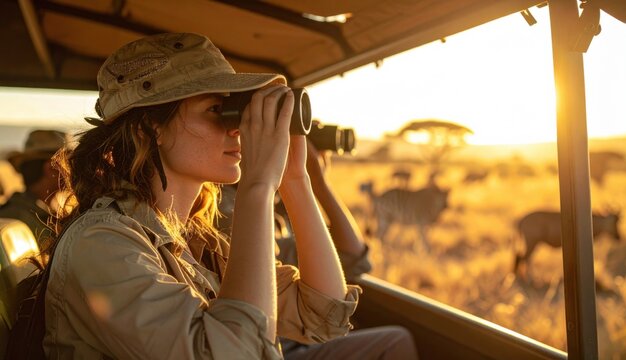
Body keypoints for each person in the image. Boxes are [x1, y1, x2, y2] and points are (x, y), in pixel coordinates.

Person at [43, 32, 361, 359]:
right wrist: (257, 185)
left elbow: (322, 316)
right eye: (217, 109)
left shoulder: (198, 246)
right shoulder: (101, 245)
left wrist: (295, 178)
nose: (236, 128)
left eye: (235, 111)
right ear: (151, 128)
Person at [218, 140, 420, 359]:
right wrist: (270, 181)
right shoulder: (228, 213)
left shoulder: (268, 209)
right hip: (277, 347)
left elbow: (353, 261)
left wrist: (310, 180)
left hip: (289, 339)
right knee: (396, 341)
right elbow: (351, 261)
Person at [0, 129, 68, 244]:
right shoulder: (19, 218)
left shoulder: (36, 212)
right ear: (51, 168)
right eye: (68, 163)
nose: (73, 171)